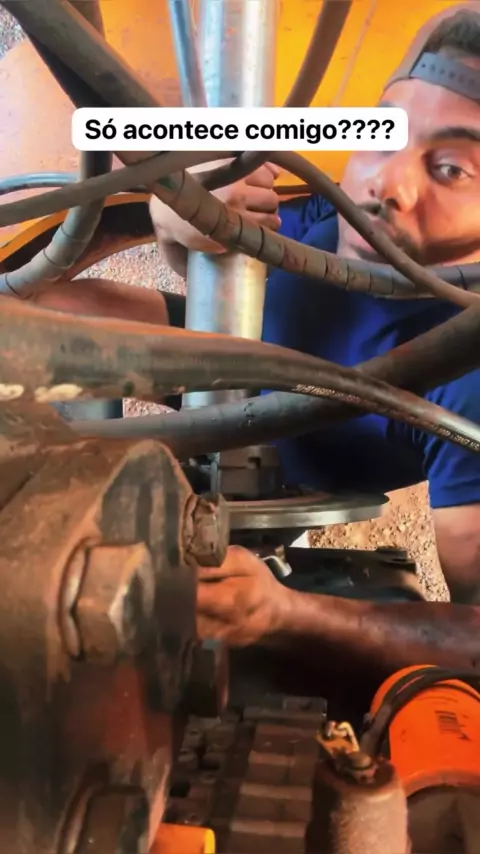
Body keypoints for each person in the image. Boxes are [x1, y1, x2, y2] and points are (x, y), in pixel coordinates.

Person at [28, 5, 480, 677]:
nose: (385, 183)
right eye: (386, 134)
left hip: (299, 465)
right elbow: (226, 260)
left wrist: (285, 613)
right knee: (40, 316)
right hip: (222, 349)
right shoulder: (334, 203)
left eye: (450, 169)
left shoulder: (469, 382)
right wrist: (179, 221)